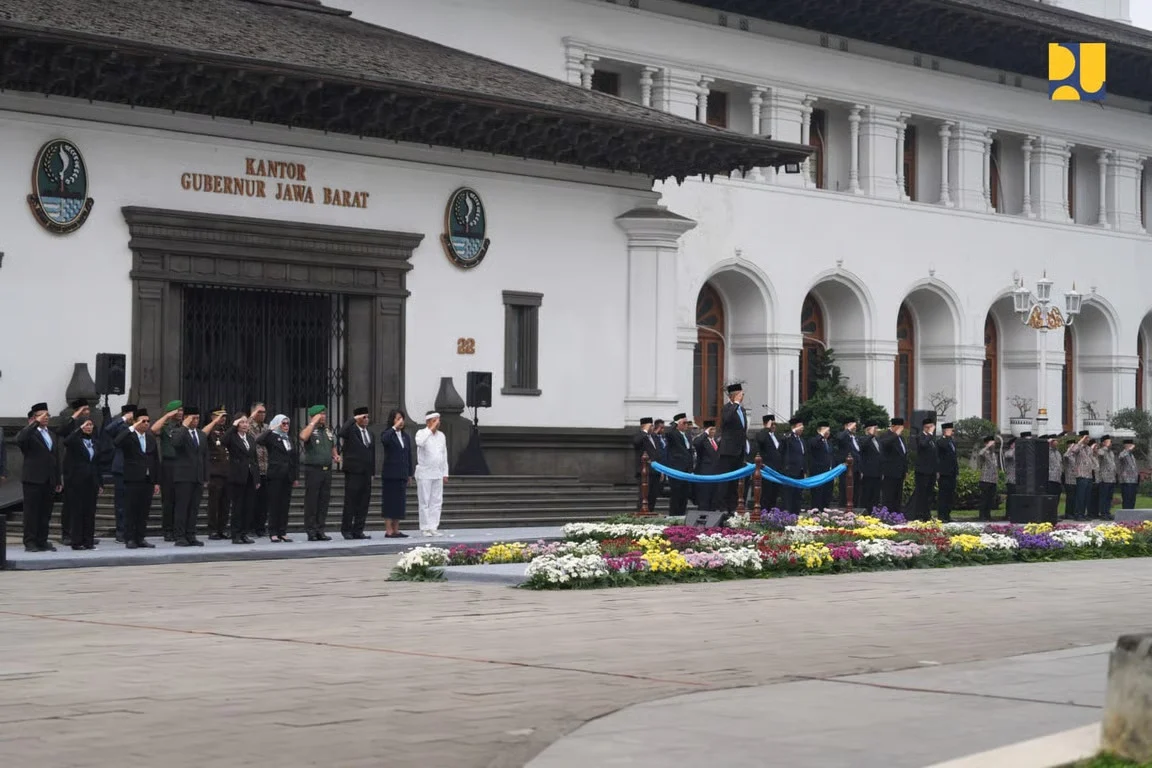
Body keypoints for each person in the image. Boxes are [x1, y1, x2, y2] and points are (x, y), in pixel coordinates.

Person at [17, 403, 61, 553]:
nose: (46, 418)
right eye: (42, 415)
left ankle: (42, 540)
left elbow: (55, 457)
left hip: (49, 479)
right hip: (33, 478)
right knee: (31, 512)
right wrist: (35, 423)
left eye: (47, 415)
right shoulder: (29, 434)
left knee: (45, 512)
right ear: (33, 418)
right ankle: (30, 542)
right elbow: (20, 438)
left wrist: (58, 479)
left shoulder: (51, 434)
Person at [114, 409, 160, 549]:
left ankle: (141, 537)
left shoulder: (150, 438)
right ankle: (130, 538)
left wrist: (156, 481)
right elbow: (117, 441)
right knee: (131, 509)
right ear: (135, 422)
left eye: (147, 421)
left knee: (144, 511)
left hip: (147, 479)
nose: (146, 424)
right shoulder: (129, 436)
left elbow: (155, 460)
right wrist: (132, 427)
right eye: (142, 421)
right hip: (133, 478)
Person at [257, 413, 299, 543]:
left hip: (287, 475)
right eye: (283, 423)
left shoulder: (289, 438)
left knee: (284, 505)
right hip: (276, 474)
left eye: (287, 423)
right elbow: (259, 440)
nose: (286, 426)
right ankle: (273, 532)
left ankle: (282, 531)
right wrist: (271, 429)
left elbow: (294, 459)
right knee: (274, 504)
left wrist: (295, 477)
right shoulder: (272, 437)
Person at [62, 416, 102, 550]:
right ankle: (77, 541)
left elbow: (98, 463)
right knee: (77, 512)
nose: (89, 427)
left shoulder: (95, 442)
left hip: (92, 482)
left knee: (90, 513)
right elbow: (66, 441)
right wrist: (78, 429)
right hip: (77, 482)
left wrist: (100, 482)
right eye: (86, 425)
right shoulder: (75, 441)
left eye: (90, 425)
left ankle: (88, 541)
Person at [300, 405, 339, 542]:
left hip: (326, 470)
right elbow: (303, 437)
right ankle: (311, 530)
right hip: (313, 470)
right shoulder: (310, 429)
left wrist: (335, 455)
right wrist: (313, 422)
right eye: (320, 414)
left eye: (324, 414)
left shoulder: (327, 430)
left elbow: (332, 445)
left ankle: (320, 529)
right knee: (312, 501)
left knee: (323, 501)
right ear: (314, 415)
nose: (323, 416)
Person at [170, 406, 208, 547]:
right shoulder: (178, 431)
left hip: (197, 477)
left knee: (194, 508)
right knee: (182, 507)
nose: (196, 421)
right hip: (183, 476)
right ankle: (180, 536)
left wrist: (205, 477)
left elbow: (204, 456)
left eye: (197, 418)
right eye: (193, 418)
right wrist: (184, 426)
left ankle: (191, 534)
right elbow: (175, 443)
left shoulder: (201, 434)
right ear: (186, 418)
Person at [56, 398, 92, 546]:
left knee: (84, 505)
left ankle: (83, 534)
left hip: (86, 472)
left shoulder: (89, 427)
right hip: (72, 470)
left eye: (88, 410)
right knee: (70, 504)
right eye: (85, 410)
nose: (88, 413)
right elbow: (61, 432)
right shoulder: (72, 424)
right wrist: (76, 415)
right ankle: (67, 533)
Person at [339, 406, 376, 540]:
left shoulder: (370, 433)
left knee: (363, 503)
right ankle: (346, 529)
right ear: (357, 418)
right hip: (353, 472)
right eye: (363, 417)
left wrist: (372, 472)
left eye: (367, 417)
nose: (366, 420)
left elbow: (372, 453)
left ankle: (358, 530)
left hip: (366, 473)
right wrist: (352, 420)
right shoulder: (351, 430)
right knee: (351, 502)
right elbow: (341, 432)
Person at [224, 413, 260, 544]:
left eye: (246, 422)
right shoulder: (232, 437)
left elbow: (254, 459)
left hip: (250, 476)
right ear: (236, 424)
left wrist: (257, 479)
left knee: (248, 506)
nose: (245, 425)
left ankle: (244, 533)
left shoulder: (250, 438)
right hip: (238, 475)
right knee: (238, 507)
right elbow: (223, 441)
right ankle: (236, 534)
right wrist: (233, 427)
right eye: (242, 422)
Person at [150, 400, 183, 541]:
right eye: (178, 410)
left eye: (182, 410)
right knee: (168, 500)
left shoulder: (184, 426)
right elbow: (153, 429)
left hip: (182, 465)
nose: (181, 413)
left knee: (180, 500)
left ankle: (178, 529)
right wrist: (167, 416)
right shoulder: (165, 426)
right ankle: (168, 530)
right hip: (168, 465)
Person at [379, 408, 414, 538]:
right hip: (390, 473)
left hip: (402, 473)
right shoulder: (388, 433)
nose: (400, 421)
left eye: (402, 418)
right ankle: (388, 530)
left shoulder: (405, 436)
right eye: (397, 418)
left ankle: (396, 529)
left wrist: (409, 473)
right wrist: (393, 428)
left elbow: (408, 455)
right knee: (389, 501)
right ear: (392, 420)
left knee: (400, 502)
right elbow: (384, 440)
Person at [103, 403, 135, 543]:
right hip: (121, 468)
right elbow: (108, 429)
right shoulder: (120, 426)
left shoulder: (139, 426)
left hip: (134, 468)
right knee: (121, 503)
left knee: (132, 502)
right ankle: (120, 530)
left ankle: (131, 530)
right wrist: (123, 419)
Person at [415, 411, 449, 536]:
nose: (438, 423)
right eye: (435, 420)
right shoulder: (421, 433)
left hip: (438, 472)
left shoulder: (442, 436)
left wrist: (445, 473)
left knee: (436, 501)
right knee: (424, 501)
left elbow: (444, 455)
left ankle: (433, 526)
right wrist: (430, 430)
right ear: (428, 422)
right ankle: (425, 527)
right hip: (425, 472)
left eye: (438, 420)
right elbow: (420, 443)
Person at [717, 383, 749, 512]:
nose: (742, 396)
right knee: (726, 480)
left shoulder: (742, 410)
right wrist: (735, 403)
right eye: (741, 394)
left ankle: (733, 507)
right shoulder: (727, 408)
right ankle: (722, 507)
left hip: (739, 450)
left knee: (736, 482)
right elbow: (726, 420)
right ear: (734, 396)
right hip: (728, 450)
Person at [204, 409, 231, 539]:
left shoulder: (225, 430)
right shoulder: (210, 430)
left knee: (225, 503)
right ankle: (213, 529)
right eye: (220, 416)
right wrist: (213, 422)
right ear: (213, 416)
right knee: (214, 503)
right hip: (215, 471)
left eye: (224, 416)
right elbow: (203, 435)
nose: (223, 418)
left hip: (227, 471)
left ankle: (222, 528)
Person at [663, 413, 694, 518]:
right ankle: (674, 514)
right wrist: (674, 424)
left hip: (686, 469)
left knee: (684, 493)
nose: (686, 425)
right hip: (676, 469)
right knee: (676, 492)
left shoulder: (687, 435)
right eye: (684, 423)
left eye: (687, 423)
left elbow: (689, 451)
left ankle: (682, 513)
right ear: (678, 424)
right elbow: (668, 433)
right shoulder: (673, 433)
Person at [248, 403, 270, 538]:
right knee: (252, 501)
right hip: (254, 468)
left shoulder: (267, 428)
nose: (262, 414)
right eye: (259, 412)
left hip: (267, 468)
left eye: (263, 412)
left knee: (264, 502)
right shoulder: (249, 426)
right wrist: (251, 417)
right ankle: (250, 526)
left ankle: (261, 527)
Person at [910, 416, 938, 521]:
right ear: (926, 427)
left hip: (931, 471)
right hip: (922, 471)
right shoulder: (920, 436)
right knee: (922, 493)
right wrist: (930, 433)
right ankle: (920, 514)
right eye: (930, 427)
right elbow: (923, 445)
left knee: (929, 494)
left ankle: (927, 514)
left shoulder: (932, 439)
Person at [633, 417, 662, 512]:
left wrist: (661, 471)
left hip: (655, 471)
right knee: (644, 497)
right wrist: (644, 430)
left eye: (652, 425)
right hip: (644, 472)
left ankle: (650, 516)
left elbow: (658, 454)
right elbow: (636, 442)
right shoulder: (640, 436)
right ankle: (641, 517)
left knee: (653, 497)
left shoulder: (654, 437)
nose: (652, 427)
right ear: (643, 426)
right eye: (650, 425)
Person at [879, 419, 908, 514]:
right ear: (894, 426)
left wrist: (905, 469)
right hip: (889, 471)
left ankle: (897, 514)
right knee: (888, 495)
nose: (901, 430)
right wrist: (895, 435)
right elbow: (884, 444)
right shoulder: (886, 435)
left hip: (900, 471)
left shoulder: (901, 438)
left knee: (897, 495)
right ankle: (887, 514)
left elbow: (904, 455)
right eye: (899, 427)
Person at [754, 414, 782, 512]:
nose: (773, 426)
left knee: (774, 493)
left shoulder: (777, 436)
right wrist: (766, 428)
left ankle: (773, 514)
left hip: (777, 469)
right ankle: (764, 513)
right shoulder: (762, 434)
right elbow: (760, 440)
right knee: (766, 493)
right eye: (771, 424)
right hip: (767, 469)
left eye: (774, 424)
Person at [1066, 431, 1095, 520]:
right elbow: (1073, 451)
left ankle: (1083, 514)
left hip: (1088, 475)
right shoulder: (1078, 447)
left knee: (1086, 497)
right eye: (1086, 438)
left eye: (1088, 438)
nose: (1088, 439)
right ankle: (1078, 514)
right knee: (1080, 496)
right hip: (1081, 475)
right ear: (1082, 438)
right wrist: (1081, 441)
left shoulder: (1089, 449)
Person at [693, 420, 721, 511]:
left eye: (714, 429)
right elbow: (696, 443)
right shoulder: (702, 440)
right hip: (705, 473)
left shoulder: (715, 441)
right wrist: (705, 433)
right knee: (704, 498)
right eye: (711, 429)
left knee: (714, 498)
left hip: (716, 473)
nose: (713, 431)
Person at [780, 416, 806, 513]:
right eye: (800, 426)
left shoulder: (801, 440)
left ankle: (796, 513)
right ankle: (788, 514)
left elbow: (804, 455)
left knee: (798, 495)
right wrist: (790, 433)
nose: (802, 428)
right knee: (788, 495)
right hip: (790, 471)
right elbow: (782, 447)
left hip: (800, 471)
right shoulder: (788, 438)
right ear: (794, 427)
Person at [835, 417, 861, 510]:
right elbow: (839, 438)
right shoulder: (843, 436)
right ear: (846, 426)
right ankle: (843, 509)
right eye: (852, 426)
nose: (855, 428)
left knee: (856, 491)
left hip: (856, 468)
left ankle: (855, 509)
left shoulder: (855, 438)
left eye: (855, 426)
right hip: (846, 469)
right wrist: (847, 430)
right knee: (845, 491)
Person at [807, 422, 834, 511]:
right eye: (825, 430)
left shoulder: (829, 442)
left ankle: (825, 510)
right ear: (819, 431)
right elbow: (813, 445)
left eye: (828, 430)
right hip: (818, 472)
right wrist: (821, 435)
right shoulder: (814, 440)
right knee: (817, 494)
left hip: (829, 472)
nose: (827, 432)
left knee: (827, 493)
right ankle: (816, 511)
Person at [935, 422, 958, 522]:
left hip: (952, 472)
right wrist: (947, 436)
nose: (952, 432)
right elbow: (942, 448)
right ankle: (941, 516)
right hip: (944, 472)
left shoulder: (952, 442)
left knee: (950, 495)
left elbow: (954, 457)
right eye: (950, 430)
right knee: (943, 495)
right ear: (945, 431)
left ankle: (948, 515)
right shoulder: (941, 441)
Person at [859, 420, 882, 512]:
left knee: (876, 495)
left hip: (878, 472)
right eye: (875, 429)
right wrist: (870, 435)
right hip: (868, 472)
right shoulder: (863, 439)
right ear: (869, 430)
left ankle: (874, 512)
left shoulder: (878, 440)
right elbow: (863, 446)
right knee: (867, 494)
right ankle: (866, 512)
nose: (877, 430)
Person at [976, 435, 999, 521]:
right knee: (984, 499)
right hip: (985, 479)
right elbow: (980, 453)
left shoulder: (994, 454)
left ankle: (988, 515)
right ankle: (982, 516)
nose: (993, 445)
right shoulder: (985, 453)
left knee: (990, 499)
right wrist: (987, 446)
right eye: (991, 443)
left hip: (993, 480)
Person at [1095, 434, 1116, 520]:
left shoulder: (1111, 452)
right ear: (1104, 443)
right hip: (1104, 478)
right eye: (1108, 442)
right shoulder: (1101, 450)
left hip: (1111, 478)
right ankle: (1103, 513)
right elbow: (1100, 454)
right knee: (1103, 497)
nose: (1110, 443)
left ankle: (1107, 512)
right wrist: (1105, 446)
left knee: (1109, 497)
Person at [1118, 439, 1139, 510]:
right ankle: (1126, 515)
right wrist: (1129, 449)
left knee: (1132, 499)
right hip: (1126, 481)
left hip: (1133, 481)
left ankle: (1131, 514)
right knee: (1127, 498)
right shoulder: (1123, 453)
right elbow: (1122, 457)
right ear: (1125, 445)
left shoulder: (1131, 455)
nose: (1132, 447)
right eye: (1130, 445)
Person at [1045, 434, 1065, 508]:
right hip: (1051, 478)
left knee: (1057, 497)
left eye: (1057, 441)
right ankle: (1049, 513)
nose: (1057, 442)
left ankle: (1054, 513)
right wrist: (1048, 442)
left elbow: (1060, 464)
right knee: (1050, 497)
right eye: (1055, 441)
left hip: (1058, 479)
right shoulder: (1047, 451)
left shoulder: (1058, 452)